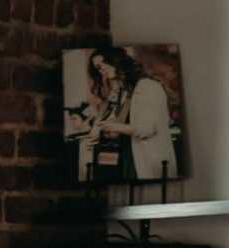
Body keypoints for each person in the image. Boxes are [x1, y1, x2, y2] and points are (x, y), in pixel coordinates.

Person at [70, 45, 181, 185]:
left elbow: (146, 129)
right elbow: (107, 121)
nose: (102, 68)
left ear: (118, 60)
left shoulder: (147, 87)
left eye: (105, 62)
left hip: (145, 158)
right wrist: (98, 129)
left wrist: (111, 126)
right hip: (126, 158)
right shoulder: (122, 92)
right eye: (98, 67)